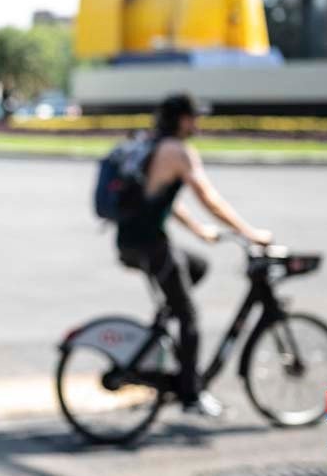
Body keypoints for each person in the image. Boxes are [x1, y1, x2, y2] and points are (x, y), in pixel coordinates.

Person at [116, 93, 273, 417]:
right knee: (189, 316)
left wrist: (199, 230)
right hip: (148, 244)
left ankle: (165, 326)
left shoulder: (154, 144)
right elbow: (210, 198)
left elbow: (165, 199)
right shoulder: (178, 151)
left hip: (135, 240)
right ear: (181, 120)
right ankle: (191, 394)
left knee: (197, 266)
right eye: (193, 117)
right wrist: (250, 233)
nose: (197, 123)